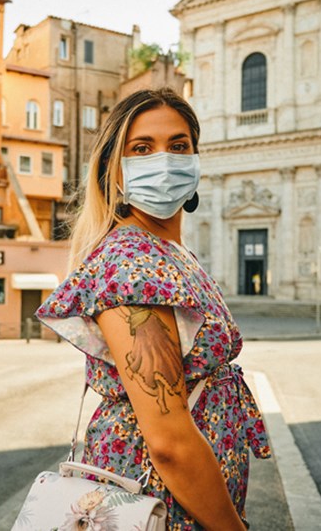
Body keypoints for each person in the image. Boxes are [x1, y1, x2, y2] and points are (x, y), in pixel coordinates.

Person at [36, 88, 270, 530]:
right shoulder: (132, 263)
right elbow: (168, 443)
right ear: (113, 170)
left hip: (182, 500)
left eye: (179, 146)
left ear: (196, 160)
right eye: (142, 148)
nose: (164, 161)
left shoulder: (169, 251)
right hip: (158, 502)